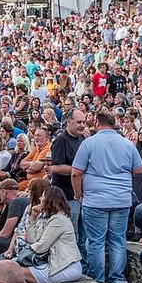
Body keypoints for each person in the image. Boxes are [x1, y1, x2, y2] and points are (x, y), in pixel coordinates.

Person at [71, 111, 142, 283]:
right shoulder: (127, 143)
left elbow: (76, 173)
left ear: (97, 123)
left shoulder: (89, 143)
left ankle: (97, 280)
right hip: (121, 198)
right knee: (117, 240)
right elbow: (139, 170)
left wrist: (78, 193)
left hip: (95, 199)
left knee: (95, 241)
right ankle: (117, 279)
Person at [18, 186, 82, 283]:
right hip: (57, 265)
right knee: (15, 268)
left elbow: (41, 247)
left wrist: (22, 254)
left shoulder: (59, 219)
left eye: (42, 196)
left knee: (15, 271)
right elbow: (32, 239)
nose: (40, 199)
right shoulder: (50, 218)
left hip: (66, 267)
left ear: (49, 199)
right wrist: (33, 218)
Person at [48, 109, 86, 265]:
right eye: (79, 122)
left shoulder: (82, 139)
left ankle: (83, 266)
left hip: (81, 194)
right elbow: (55, 167)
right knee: (73, 234)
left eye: (84, 122)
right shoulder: (61, 140)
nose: (82, 125)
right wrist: (77, 169)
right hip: (66, 196)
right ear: (68, 122)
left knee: (83, 235)